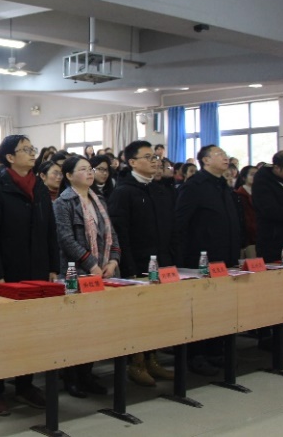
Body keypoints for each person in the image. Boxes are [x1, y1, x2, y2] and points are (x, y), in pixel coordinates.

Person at [0, 135, 58, 415]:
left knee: (31, 331)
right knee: (0, 333)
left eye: (32, 149)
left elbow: (50, 230)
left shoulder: (39, 186)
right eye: (25, 150)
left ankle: (25, 384)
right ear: (10, 157)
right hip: (7, 272)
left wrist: (53, 266)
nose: (32, 153)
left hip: (37, 270)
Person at [107, 141, 177, 387]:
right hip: (137, 264)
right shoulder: (124, 192)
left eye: (155, 157)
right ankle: (136, 363)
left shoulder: (159, 190)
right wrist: (128, 267)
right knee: (138, 317)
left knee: (158, 315)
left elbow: (171, 229)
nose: (155, 161)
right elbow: (120, 233)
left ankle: (152, 359)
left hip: (162, 262)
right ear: (132, 162)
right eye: (148, 157)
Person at [53, 155, 119, 396]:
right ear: (69, 176)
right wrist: (91, 264)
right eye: (83, 169)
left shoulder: (98, 200)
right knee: (75, 328)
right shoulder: (63, 202)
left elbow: (112, 234)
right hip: (76, 273)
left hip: (102, 272)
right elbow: (65, 238)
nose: (90, 172)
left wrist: (113, 261)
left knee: (94, 327)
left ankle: (86, 374)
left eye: (90, 169)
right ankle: (71, 377)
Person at [175, 145, 242, 376]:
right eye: (219, 154)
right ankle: (196, 355)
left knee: (221, 308)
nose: (225, 157)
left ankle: (216, 351)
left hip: (226, 259)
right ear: (205, 160)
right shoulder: (194, 186)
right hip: (201, 260)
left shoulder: (223, 185)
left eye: (225, 154)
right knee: (202, 310)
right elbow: (181, 223)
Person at [234, 166, 258, 258]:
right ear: (244, 178)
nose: (255, 177)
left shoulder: (260, 193)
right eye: (252, 174)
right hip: (248, 236)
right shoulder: (239, 195)